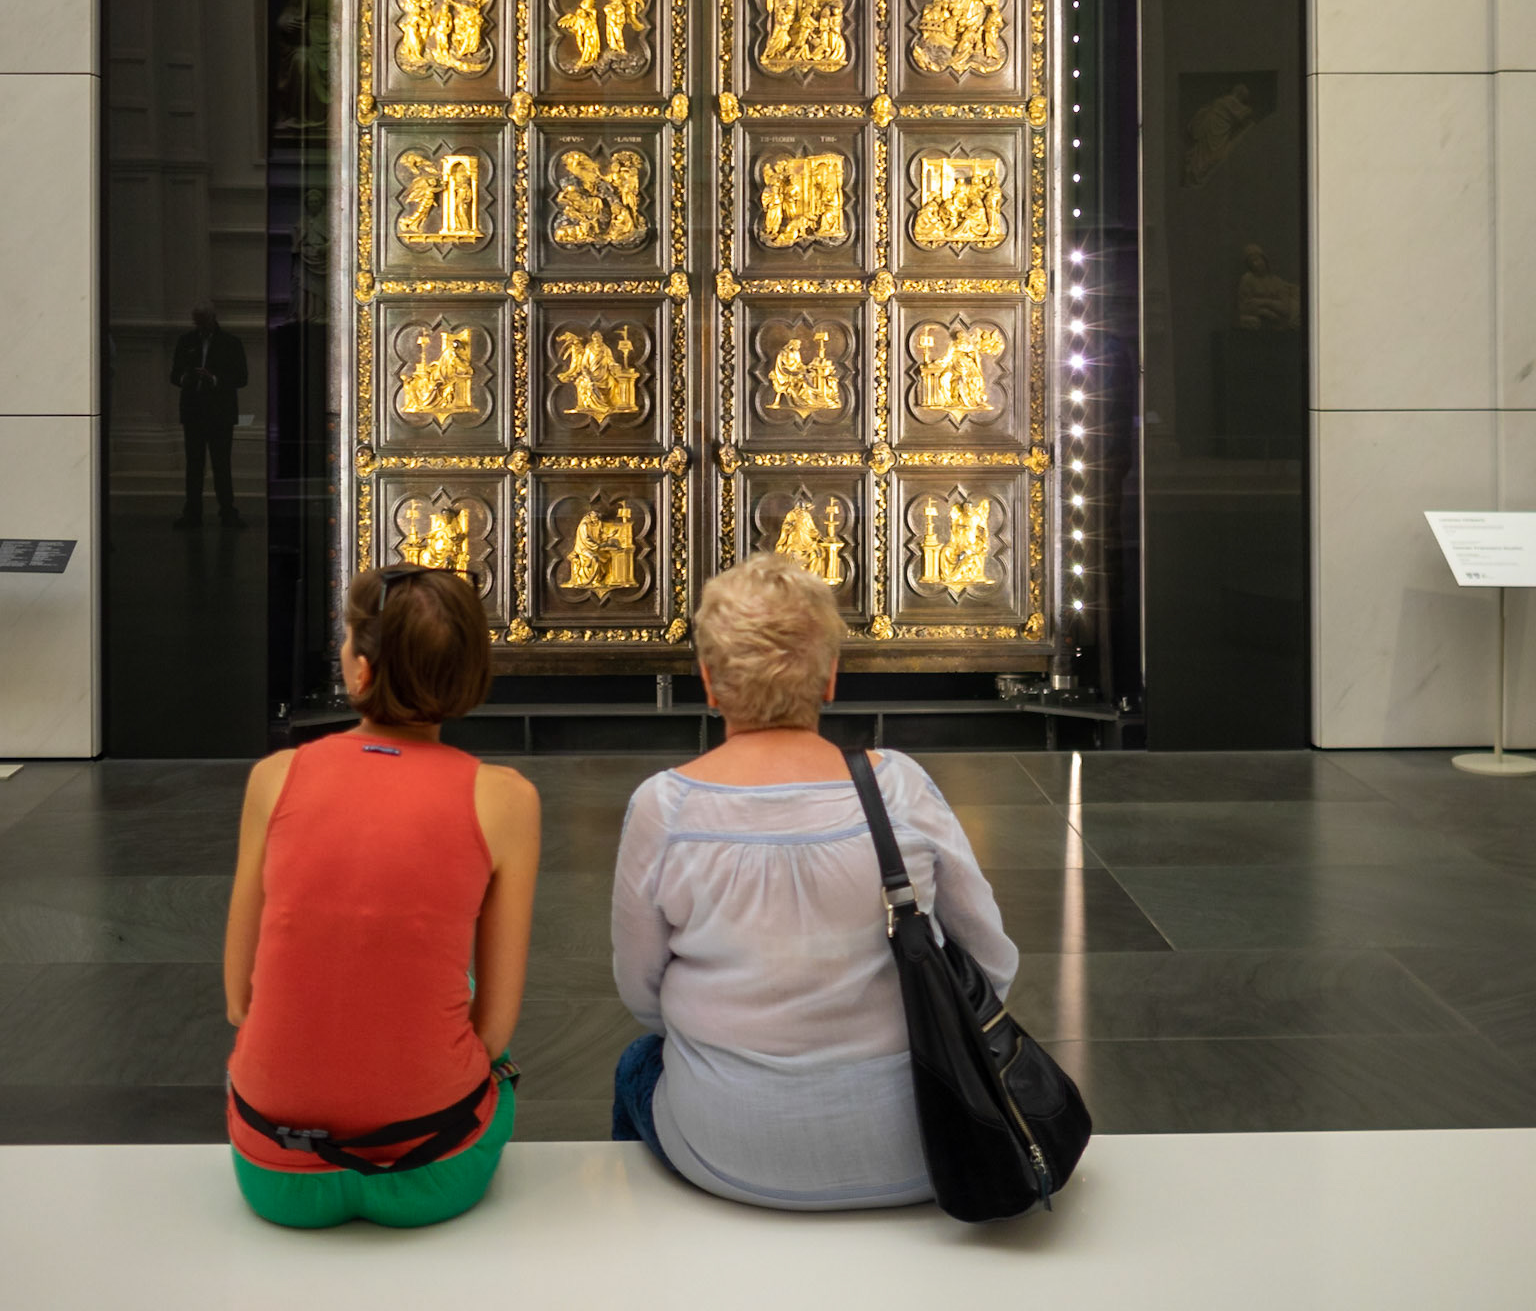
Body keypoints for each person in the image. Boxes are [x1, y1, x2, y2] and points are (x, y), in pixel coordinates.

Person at [609, 555, 1017, 1210]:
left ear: (710, 683)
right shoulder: (900, 788)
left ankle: (648, 1239)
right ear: (829, 677)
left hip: (727, 1150)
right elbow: (990, 961)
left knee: (637, 1062)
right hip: (923, 1142)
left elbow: (641, 991)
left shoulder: (664, 807)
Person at [223, 566, 540, 1229]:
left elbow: (239, 1000)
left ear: (361, 672)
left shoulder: (274, 778)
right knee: (457, 983)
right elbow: (495, 1031)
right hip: (433, 1167)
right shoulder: (505, 799)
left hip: (273, 1168)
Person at [169, 305, 248, 529]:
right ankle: (195, 512)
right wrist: (187, 378)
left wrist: (213, 379)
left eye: (202, 321)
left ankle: (225, 511)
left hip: (219, 413)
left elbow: (242, 378)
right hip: (195, 411)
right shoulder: (186, 341)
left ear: (212, 319)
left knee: (220, 464)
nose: (199, 326)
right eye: (197, 321)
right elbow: (174, 374)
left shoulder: (231, 343)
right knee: (195, 465)